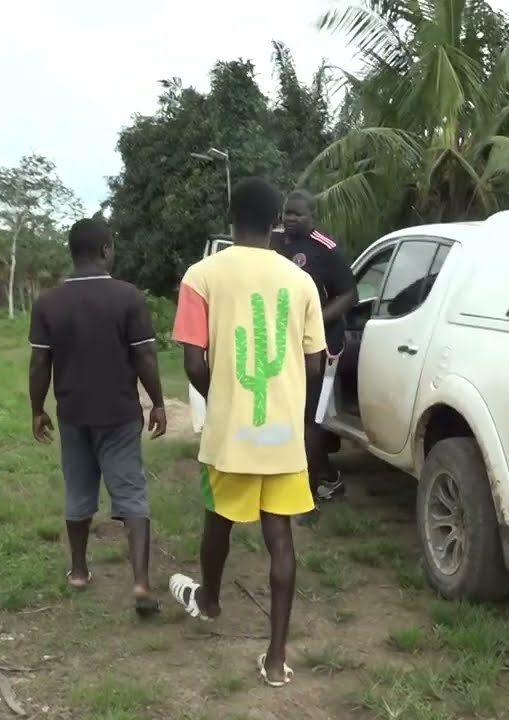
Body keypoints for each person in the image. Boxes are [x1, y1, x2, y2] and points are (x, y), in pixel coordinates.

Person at [170, 176, 326, 687]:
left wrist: (224, 400)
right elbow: (316, 362)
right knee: (280, 537)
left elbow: (194, 361)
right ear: (278, 220)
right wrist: (301, 418)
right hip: (282, 433)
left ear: (231, 218)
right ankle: (277, 660)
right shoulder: (301, 282)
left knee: (219, 520)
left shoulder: (201, 275)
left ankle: (209, 600)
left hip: (233, 431)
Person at [28, 217, 168, 617]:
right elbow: (144, 355)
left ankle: (78, 570)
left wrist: (37, 409)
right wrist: (157, 401)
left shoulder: (48, 302)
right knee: (132, 495)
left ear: (71, 253)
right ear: (106, 250)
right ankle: (140, 582)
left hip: (72, 414)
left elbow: (40, 361)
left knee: (78, 492)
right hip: (120, 416)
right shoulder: (128, 297)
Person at [272, 190, 357, 522]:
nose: (290, 219)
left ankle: (306, 500)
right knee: (293, 417)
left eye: (298, 214)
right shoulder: (276, 244)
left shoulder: (326, 249)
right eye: (286, 213)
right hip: (286, 344)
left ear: (312, 216)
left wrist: (315, 322)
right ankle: (328, 478)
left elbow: (349, 293)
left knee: (311, 420)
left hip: (322, 347)